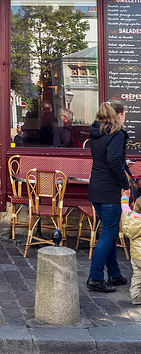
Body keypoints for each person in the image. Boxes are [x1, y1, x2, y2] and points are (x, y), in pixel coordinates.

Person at [87, 101, 130, 293]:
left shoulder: (96, 132)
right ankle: (95, 277)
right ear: (118, 115)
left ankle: (114, 273)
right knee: (108, 234)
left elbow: (106, 159)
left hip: (96, 188)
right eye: (124, 114)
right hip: (110, 189)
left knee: (109, 233)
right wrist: (125, 184)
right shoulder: (117, 134)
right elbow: (113, 160)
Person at [120, 188, 141, 304]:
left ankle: (135, 297)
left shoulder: (129, 216)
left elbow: (124, 206)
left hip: (135, 256)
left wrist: (125, 196)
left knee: (137, 276)